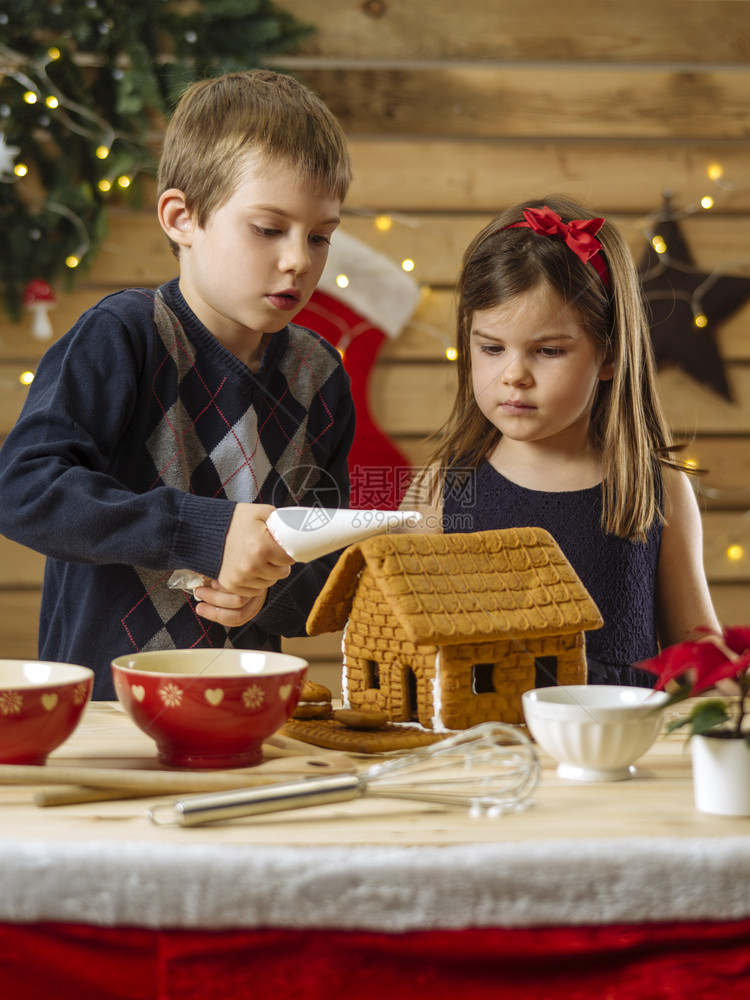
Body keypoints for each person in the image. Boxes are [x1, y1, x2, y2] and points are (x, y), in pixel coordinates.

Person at [0, 70, 355, 699]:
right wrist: (207, 533)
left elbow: (322, 572)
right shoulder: (123, 336)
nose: (300, 259)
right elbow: (23, 490)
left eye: (320, 235)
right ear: (181, 216)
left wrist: (265, 596)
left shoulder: (321, 377)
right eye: (269, 228)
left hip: (247, 712)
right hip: (101, 718)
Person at [404, 195, 721, 686]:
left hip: (618, 750)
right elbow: (408, 638)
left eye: (548, 350)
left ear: (610, 355)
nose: (514, 376)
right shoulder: (444, 486)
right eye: (491, 348)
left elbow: (697, 654)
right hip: (483, 751)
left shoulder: (654, 485)